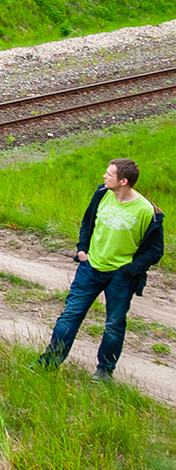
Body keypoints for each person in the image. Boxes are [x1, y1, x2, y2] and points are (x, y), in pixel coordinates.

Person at [37, 159, 165, 381]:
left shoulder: (146, 211)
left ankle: (104, 372)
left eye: (109, 174)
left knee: (114, 325)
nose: (104, 177)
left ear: (123, 181)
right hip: (90, 269)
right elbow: (87, 223)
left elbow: (155, 251)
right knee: (69, 316)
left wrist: (128, 271)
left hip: (121, 277)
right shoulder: (101, 194)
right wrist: (82, 251)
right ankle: (48, 364)